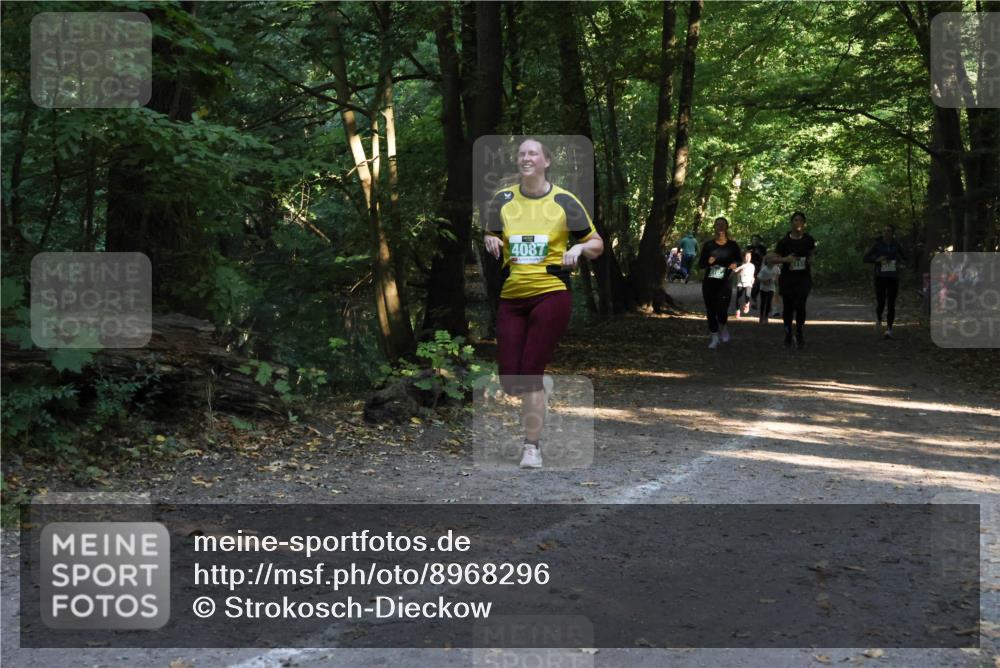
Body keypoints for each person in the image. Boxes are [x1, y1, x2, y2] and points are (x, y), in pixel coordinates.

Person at [484, 138, 604, 469]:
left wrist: (579, 249)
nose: (526, 158)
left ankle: (531, 447)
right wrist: (489, 237)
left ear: (546, 161)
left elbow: (596, 243)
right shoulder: (503, 199)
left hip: (551, 292)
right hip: (512, 295)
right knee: (512, 380)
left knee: (531, 373)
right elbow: (491, 232)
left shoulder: (565, 201)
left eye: (533, 153)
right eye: (522, 153)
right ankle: (538, 389)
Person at [768, 211, 817, 349]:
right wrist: (785, 259)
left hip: (803, 278)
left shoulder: (808, 239)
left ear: (804, 224)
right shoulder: (784, 242)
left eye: (800, 220)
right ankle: (788, 334)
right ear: (791, 223)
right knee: (788, 308)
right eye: (795, 220)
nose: (798, 223)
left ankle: (799, 332)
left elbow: (812, 252)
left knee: (801, 306)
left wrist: (810, 260)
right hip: (788, 279)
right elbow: (773, 258)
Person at [698, 217, 742, 349]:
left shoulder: (732, 245)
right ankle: (714, 337)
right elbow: (701, 264)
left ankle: (723, 326)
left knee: (722, 310)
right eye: (718, 225)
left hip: (725, 282)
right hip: (710, 282)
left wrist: (735, 264)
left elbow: (739, 260)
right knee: (711, 310)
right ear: (714, 228)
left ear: (727, 228)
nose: (720, 227)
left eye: (723, 225)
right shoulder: (708, 245)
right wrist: (708, 262)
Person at [863, 224, 906, 339]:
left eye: (889, 231)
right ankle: (879, 317)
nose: (886, 233)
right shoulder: (877, 245)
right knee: (881, 302)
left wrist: (900, 264)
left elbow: (906, 257)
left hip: (893, 277)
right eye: (884, 231)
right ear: (882, 233)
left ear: (892, 233)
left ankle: (889, 329)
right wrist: (877, 259)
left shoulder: (896, 245)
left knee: (891, 303)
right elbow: (865, 258)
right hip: (880, 277)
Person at [733, 251, 756, 318]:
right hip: (740, 282)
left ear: (751, 258)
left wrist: (753, 278)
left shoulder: (752, 266)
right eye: (746, 256)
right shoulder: (740, 264)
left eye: (749, 257)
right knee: (738, 297)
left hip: (748, 282)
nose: (747, 258)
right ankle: (737, 311)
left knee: (747, 295)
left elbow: (752, 274)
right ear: (743, 257)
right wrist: (740, 269)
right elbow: (735, 271)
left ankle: (747, 303)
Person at [747, 234, 768, 309]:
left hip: (759, 268)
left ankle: (754, 299)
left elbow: (765, 258)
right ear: (752, 240)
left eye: (756, 239)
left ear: (759, 240)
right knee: (750, 284)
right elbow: (745, 256)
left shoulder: (762, 248)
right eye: (754, 239)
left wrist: (763, 265)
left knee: (757, 284)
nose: (755, 241)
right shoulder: (749, 247)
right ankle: (749, 301)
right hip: (749, 268)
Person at [756, 258, 779, 325]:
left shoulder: (776, 268)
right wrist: (764, 281)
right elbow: (758, 278)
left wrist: (777, 285)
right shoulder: (764, 269)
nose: (771, 261)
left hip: (771, 288)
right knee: (763, 302)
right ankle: (761, 317)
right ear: (767, 261)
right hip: (763, 288)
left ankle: (766, 317)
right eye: (769, 260)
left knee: (769, 302)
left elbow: (777, 278)